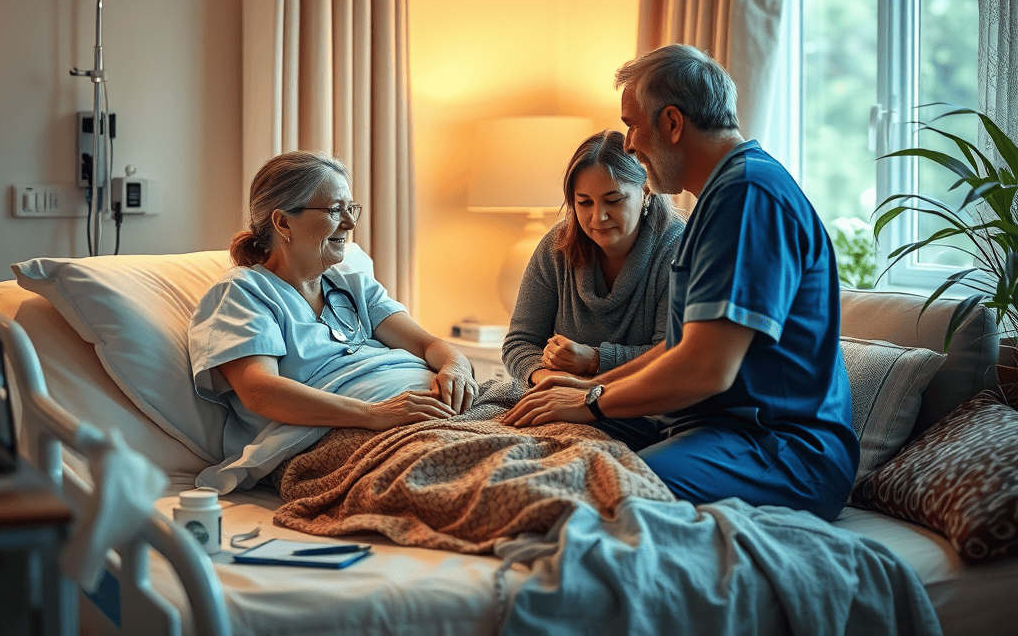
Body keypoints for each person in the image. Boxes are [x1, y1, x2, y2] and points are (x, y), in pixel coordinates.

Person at [504, 44, 860, 521]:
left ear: (672, 123)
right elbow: (681, 347)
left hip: (779, 452)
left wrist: (592, 399)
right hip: (707, 432)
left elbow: (704, 369)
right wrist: (582, 388)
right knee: (525, 442)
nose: (629, 143)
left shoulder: (747, 195)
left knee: (586, 492)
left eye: (633, 124)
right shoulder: (723, 195)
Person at [189, 151, 477, 463]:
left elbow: (427, 345)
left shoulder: (355, 284)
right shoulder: (244, 293)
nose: (350, 222)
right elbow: (260, 391)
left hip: (429, 411)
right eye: (335, 210)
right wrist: (374, 413)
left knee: (530, 427)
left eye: (351, 209)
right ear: (284, 222)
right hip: (345, 434)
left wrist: (456, 367)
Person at [502, 129, 684, 388]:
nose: (598, 217)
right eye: (585, 203)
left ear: (645, 191)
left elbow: (672, 354)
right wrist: (549, 381)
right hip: (559, 393)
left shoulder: (677, 249)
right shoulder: (556, 246)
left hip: (639, 404)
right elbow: (519, 343)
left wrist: (595, 360)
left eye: (614, 200)